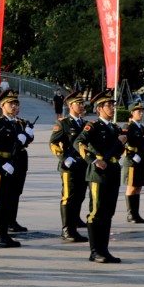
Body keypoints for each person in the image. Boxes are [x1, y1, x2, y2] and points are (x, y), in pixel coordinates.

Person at [75, 90, 125, 264]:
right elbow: (78, 143)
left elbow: (119, 151)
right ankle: (95, 250)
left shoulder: (115, 128)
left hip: (113, 170)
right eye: (108, 105)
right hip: (98, 174)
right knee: (97, 212)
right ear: (99, 108)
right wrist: (93, 160)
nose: (112, 108)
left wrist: (121, 143)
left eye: (113, 105)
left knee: (108, 212)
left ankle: (104, 249)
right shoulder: (93, 126)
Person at [0, 89, 31, 247]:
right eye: (11, 104)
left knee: (13, 196)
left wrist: (28, 136)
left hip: (19, 163)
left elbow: (27, 140)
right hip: (3, 163)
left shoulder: (20, 123)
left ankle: (6, 230)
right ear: (2, 106)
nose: (15, 106)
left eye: (17, 103)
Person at [50, 91, 89, 243]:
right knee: (69, 196)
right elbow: (53, 143)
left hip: (83, 164)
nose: (82, 106)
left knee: (80, 195)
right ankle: (67, 230)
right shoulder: (63, 123)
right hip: (69, 166)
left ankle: (75, 221)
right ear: (70, 105)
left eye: (82, 103)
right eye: (78, 103)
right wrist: (64, 157)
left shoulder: (85, 124)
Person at [122, 101, 144, 225]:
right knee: (131, 187)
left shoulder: (142, 128)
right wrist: (132, 155)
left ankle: (136, 213)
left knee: (138, 187)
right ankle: (131, 214)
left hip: (142, 160)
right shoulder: (128, 127)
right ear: (132, 113)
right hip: (132, 161)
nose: (141, 113)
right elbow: (123, 143)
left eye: (142, 111)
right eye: (138, 111)